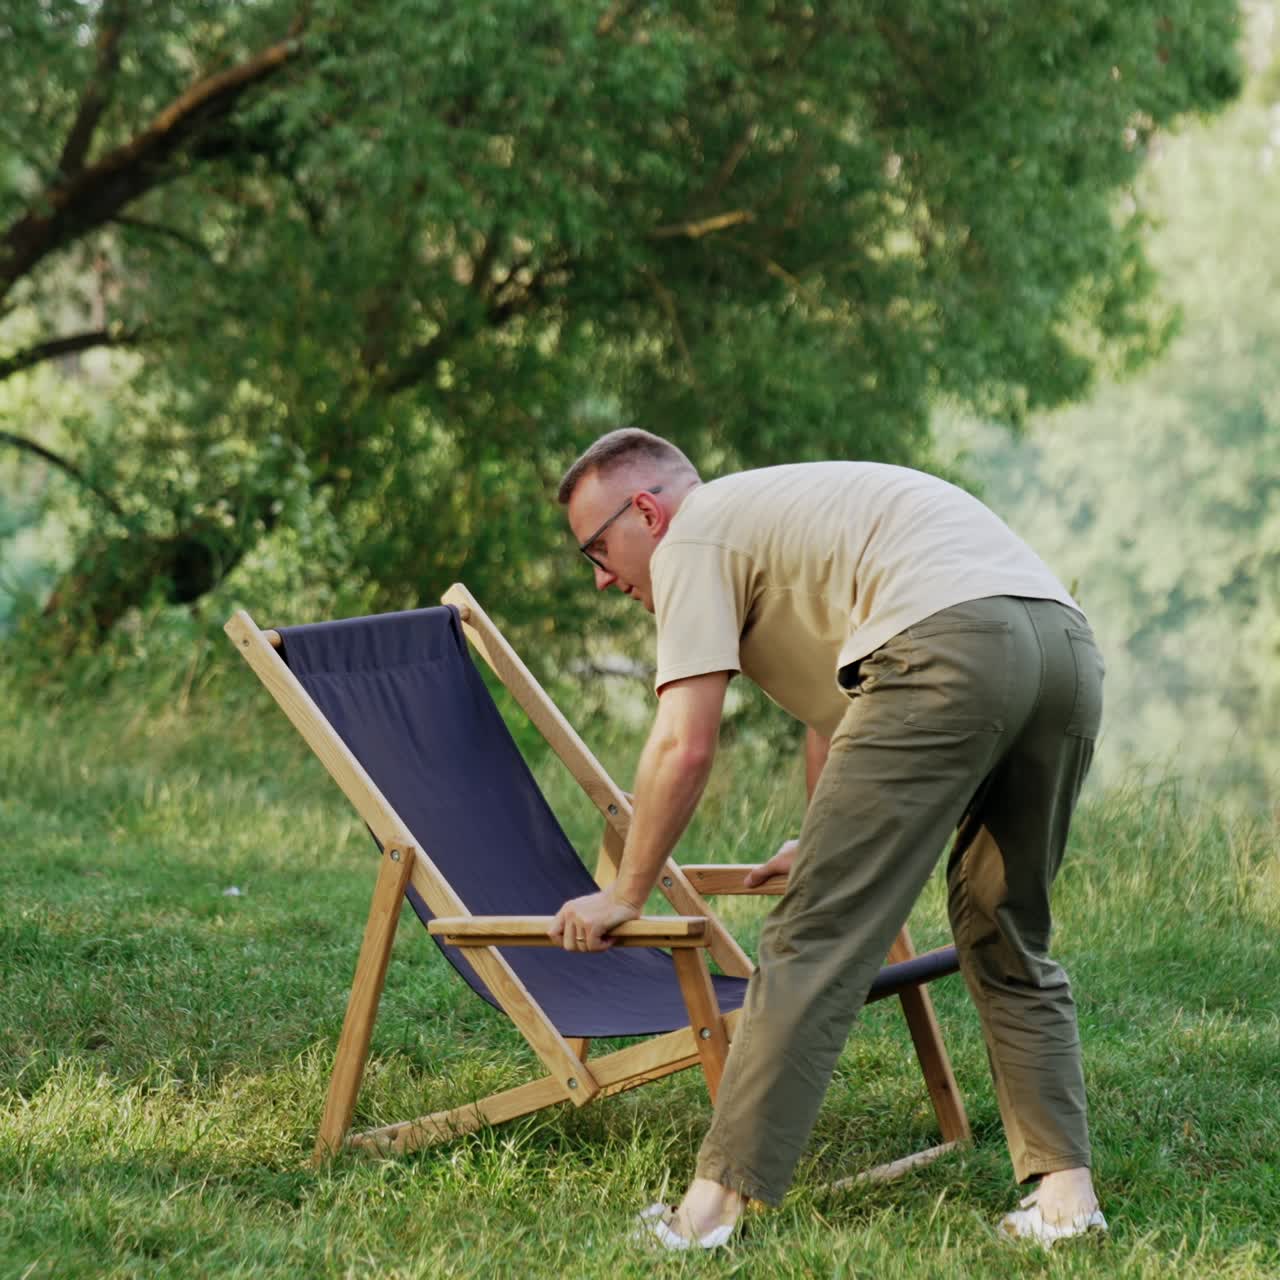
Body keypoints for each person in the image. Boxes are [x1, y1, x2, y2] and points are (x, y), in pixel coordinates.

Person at [548, 428, 1108, 1250]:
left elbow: (682, 743)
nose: (602, 579)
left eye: (598, 550)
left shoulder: (693, 535)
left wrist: (625, 892)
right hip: (1062, 650)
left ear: (646, 511)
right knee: (1005, 923)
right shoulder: (782, 522)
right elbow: (842, 711)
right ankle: (1067, 1202)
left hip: (946, 648)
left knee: (814, 934)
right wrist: (819, 841)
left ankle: (707, 1215)